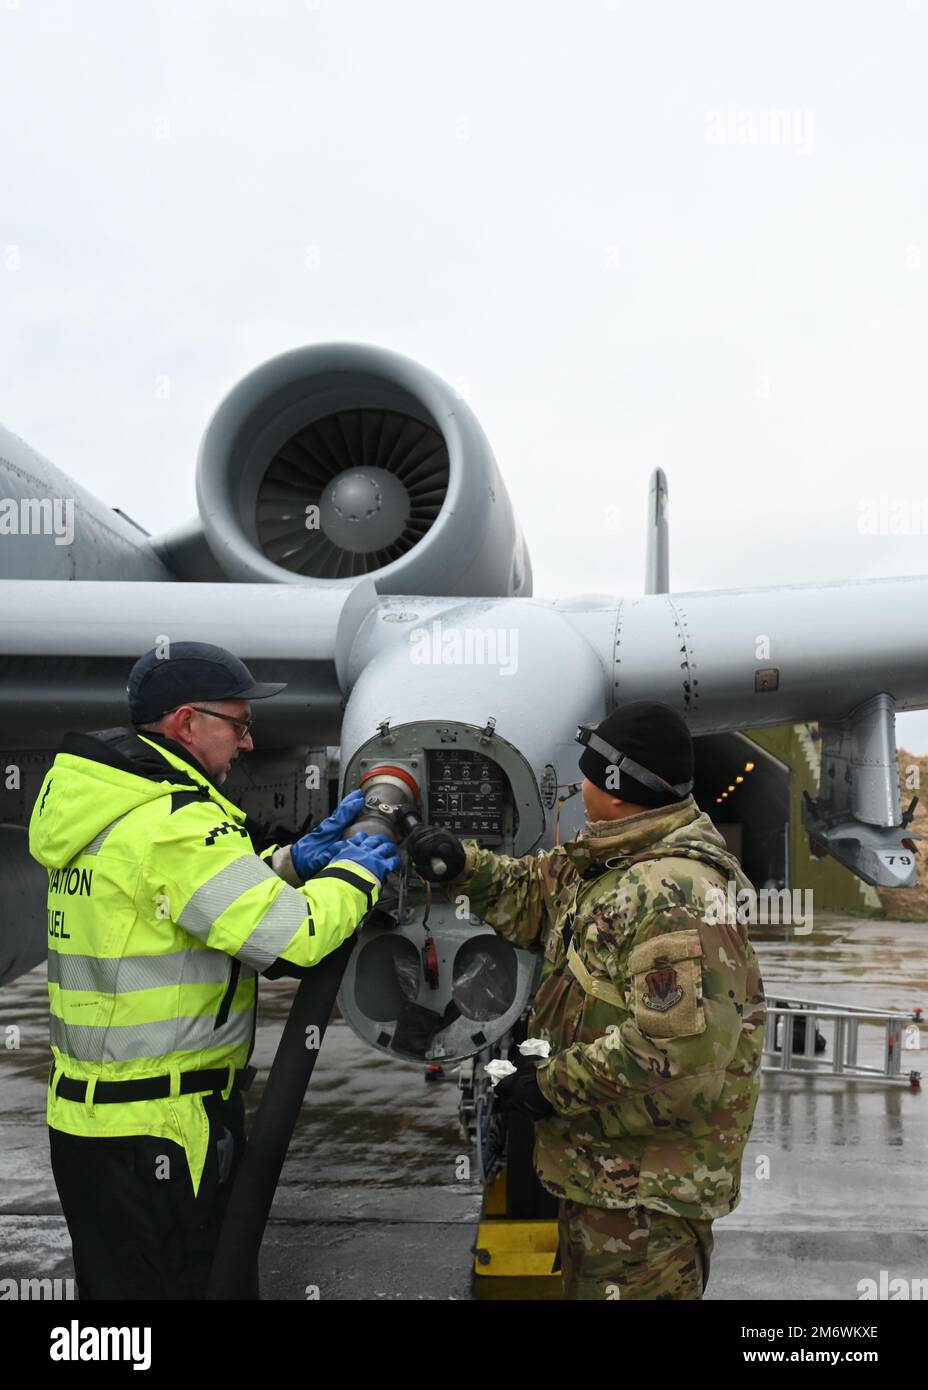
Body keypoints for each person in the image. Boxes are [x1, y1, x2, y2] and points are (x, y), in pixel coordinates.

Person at [29, 640, 399, 1300]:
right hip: (161, 1133)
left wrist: (289, 865)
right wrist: (357, 872)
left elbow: (184, 905)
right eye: (238, 723)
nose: (249, 743)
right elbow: (295, 941)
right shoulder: (173, 824)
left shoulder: (113, 805)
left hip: (92, 1126)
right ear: (185, 722)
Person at [406, 701, 766, 1301]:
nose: (580, 786)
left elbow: (675, 1047)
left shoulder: (672, 891)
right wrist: (459, 863)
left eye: (591, 774)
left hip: (646, 1193)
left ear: (621, 788)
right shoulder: (613, 862)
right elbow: (533, 894)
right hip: (606, 1172)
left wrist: (548, 1087)